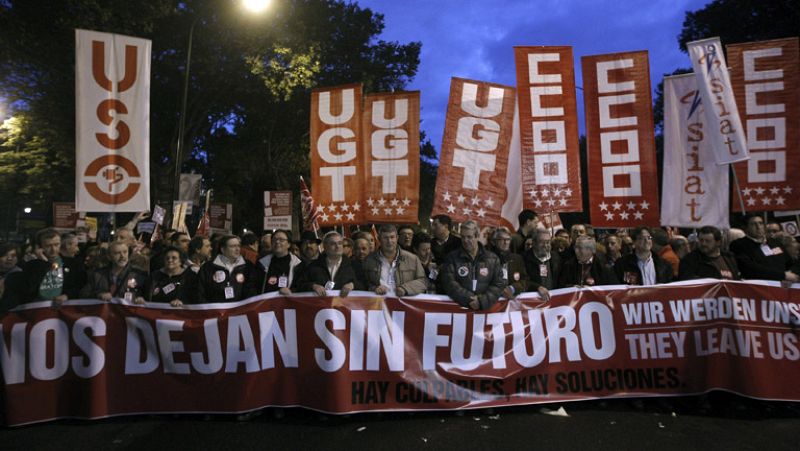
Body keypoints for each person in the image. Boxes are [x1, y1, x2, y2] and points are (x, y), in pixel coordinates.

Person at [2, 228, 86, 308]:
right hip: (35, 311)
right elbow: (28, 289)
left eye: (56, 244)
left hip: (61, 311)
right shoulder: (30, 266)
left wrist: (67, 295)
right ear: (39, 247)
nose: (53, 249)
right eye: (48, 246)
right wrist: (43, 263)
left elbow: (80, 285)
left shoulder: (73, 264)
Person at [440, 220, 505, 310]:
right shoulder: (452, 258)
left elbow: (499, 284)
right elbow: (449, 283)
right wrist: (470, 299)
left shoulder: (492, 259)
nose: (465, 241)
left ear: (477, 236)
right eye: (463, 237)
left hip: (485, 314)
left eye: (469, 237)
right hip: (460, 313)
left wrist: (481, 301)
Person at [729, 215, 799, 283]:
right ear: (745, 228)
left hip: (784, 284)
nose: (758, 227)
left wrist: (791, 275)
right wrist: (782, 275)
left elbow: (790, 263)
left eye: (761, 223)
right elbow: (751, 268)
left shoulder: (774, 242)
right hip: (761, 287)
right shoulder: (739, 245)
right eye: (753, 224)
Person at [362, 225, 427, 297]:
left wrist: (405, 288)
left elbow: (423, 281)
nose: (389, 241)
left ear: (397, 238)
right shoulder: (368, 260)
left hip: (404, 304)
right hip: (378, 303)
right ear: (379, 239)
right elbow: (364, 282)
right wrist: (374, 288)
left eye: (392, 237)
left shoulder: (413, 259)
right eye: (385, 238)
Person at [81, 241, 147, 303]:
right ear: (109, 256)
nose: (122, 256)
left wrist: (141, 299)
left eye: (125, 252)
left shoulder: (139, 275)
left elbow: (149, 297)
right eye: (117, 253)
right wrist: (99, 295)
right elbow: (83, 295)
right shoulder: (97, 275)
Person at [196, 235, 258, 302]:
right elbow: (200, 292)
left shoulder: (247, 266)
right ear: (223, 249)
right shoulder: (208, 267)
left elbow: (252, 290)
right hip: (216, 310)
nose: (237, 249)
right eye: (233, 246)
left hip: (240, 310)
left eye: (238, 246)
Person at [294, 231, 356, 297]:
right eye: (333, 244)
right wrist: (312, 286)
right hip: (320, 305)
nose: (337, 246)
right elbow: (298, 286)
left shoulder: (353, 265)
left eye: (340, 243)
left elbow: (363, 284)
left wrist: (353, 285)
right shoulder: (312, 267)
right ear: (325, 246)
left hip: (345, 305)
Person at [257, 229, 303, 295]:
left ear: (289, 244)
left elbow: (301, 286)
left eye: (281, 240)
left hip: (288, 303)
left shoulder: (298, 264)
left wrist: (292, 291)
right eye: (274, 240)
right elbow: (255, 286)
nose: (277, 242)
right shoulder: (262, 263)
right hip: (267, 303)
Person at [491, 227, 528, 299]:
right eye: (502, 239)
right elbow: (483, 282)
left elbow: (525, 280)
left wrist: (512, 288)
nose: (506, 242)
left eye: (508, 239)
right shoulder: (487, 259)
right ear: (494, 241)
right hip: (494, 302)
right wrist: (500, 290)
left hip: (512, 300)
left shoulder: (517, 258)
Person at [524, 229, 560, 301]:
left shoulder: (556, 257)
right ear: (534, 243)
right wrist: (537, 287)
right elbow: (523, 280)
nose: (545, 245)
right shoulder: (524, 258)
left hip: (553, 301)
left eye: (548, 242)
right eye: (541, 242)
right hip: (532, 302)